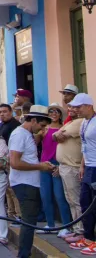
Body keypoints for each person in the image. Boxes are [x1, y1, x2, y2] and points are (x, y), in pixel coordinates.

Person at [9, 105, 56, 258]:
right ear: (33, 120)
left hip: (29, 183)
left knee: (30, 222)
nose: (43, 129)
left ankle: (25, 254)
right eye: (41, 125)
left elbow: (27, 154)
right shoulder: (19, 135)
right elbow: (15, 163)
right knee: (29, 223)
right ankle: (23, 255)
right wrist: (40, 166)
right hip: (24, 183)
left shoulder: (26, 134)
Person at [33, 104, 71, 237]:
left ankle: (67, 226)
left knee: (60, 196)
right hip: (44, 164)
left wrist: (61, 165)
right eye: (51, 111)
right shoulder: (44, 129)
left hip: (58, 164)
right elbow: (34, 142)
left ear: (60, 114)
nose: (54, 113)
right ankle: (50, 224)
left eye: (56, 111)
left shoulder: (64, 128)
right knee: (45, 196)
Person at [67, 94, 96, 253]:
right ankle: (89, 237)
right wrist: (82, 166)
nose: (75, 109)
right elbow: (85, 146)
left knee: (94, 205)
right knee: (85, 203)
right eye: (75, 107)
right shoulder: (85, 122)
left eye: (79, 107)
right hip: (89, 168)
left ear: (89, 106)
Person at [54, 102, 85, 241]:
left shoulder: (79, 122)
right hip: (65, 166)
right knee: (71, 200)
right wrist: (57, 134)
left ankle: (81, 231)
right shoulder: (69, 122)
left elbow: (59, 136)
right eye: (70, 107)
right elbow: (55, 135)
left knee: (76, 200)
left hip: (73, 166)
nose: (71, 109)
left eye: (75, 107)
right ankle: (76, 228)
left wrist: (57, 134)